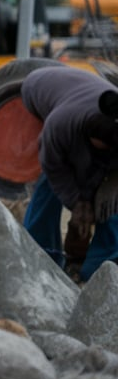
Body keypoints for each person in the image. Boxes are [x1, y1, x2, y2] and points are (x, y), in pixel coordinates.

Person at [20, 65, 118, 281]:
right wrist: (78, 203)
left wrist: (105, 195)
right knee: (50, 186)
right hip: (38, 85)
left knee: (111, 201)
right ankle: (39, 253)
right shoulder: (62, 124)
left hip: (83, 95)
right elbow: (53, 166)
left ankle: (103, 265)